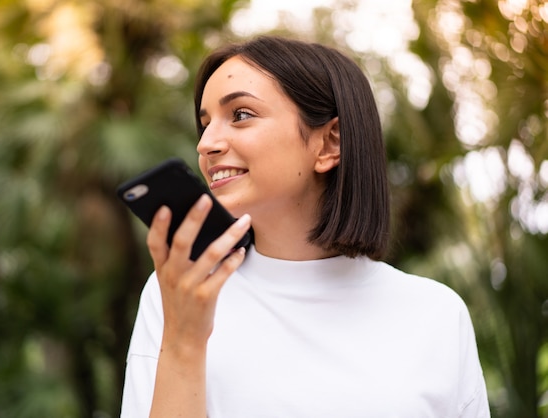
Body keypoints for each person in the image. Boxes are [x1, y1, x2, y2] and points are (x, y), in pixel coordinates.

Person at [120, 35, 490, 418]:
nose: (207, 143)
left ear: (329, 143)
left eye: (241, 115)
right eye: (205, 123)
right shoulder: (182, 293)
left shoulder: (436, 315)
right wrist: (183, 342)